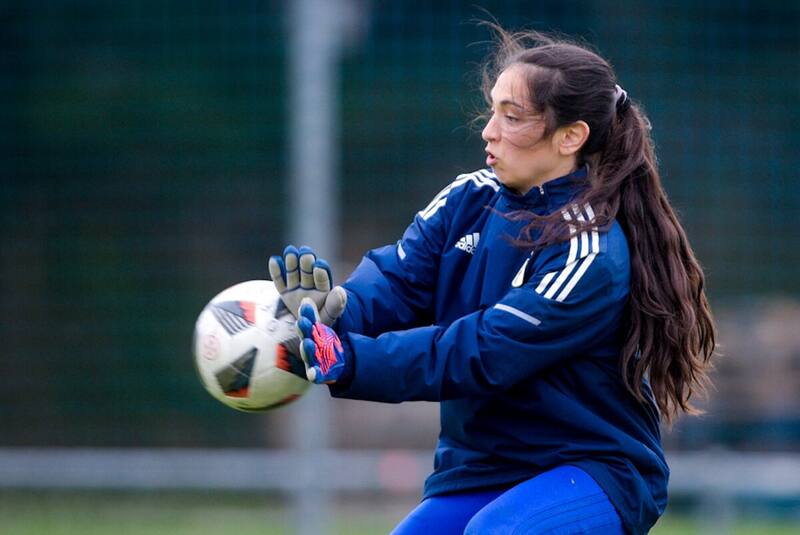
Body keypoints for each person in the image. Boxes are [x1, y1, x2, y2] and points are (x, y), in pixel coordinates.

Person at [269, 27, 715, 535]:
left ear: (570, 137)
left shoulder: (589, 252)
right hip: (482, 469)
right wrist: (338, 309)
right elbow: (398, 280)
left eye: (513, 117)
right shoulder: (467, 199)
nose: (489, 131)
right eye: (493, 110)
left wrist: (353, 362)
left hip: (589, 469)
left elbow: (483, 351)